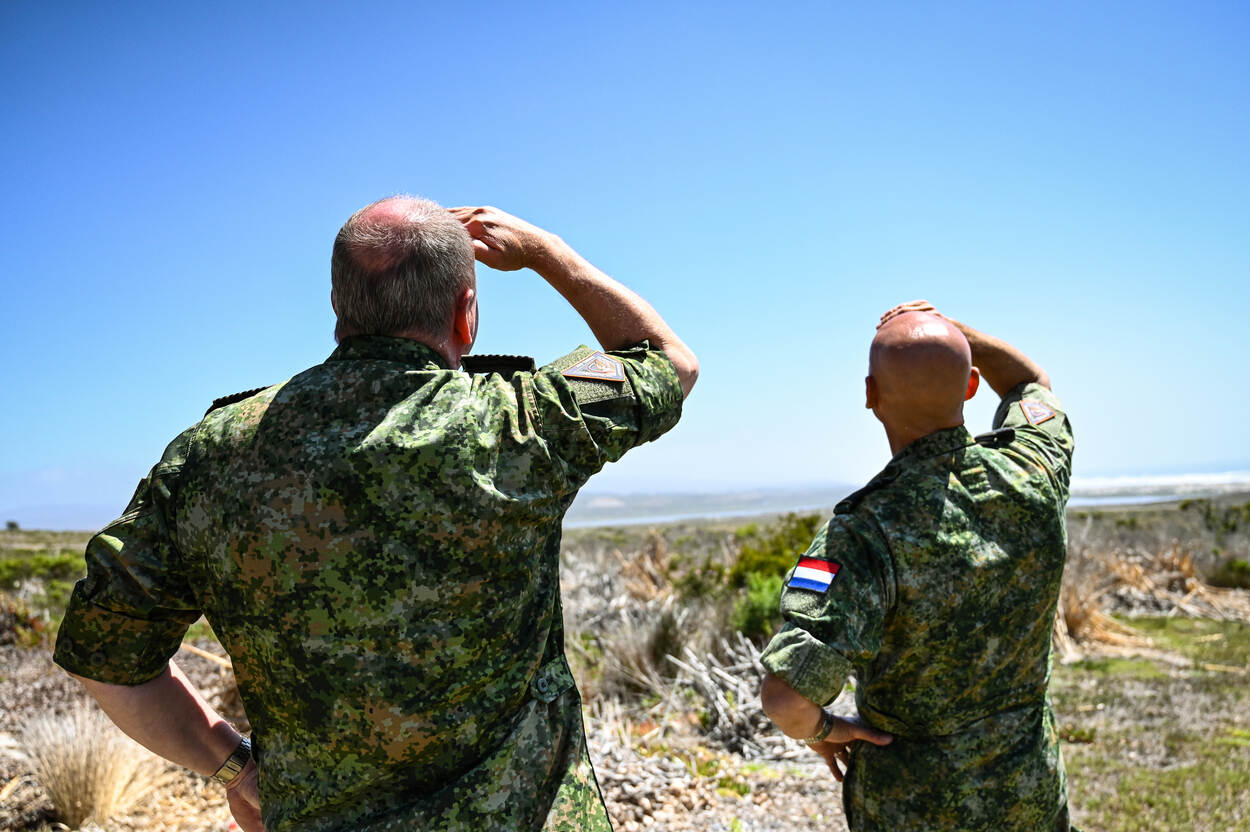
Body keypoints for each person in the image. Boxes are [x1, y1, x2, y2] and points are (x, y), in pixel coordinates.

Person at [53, 197, 698, 832]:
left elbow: (105, 658)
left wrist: (233, 769)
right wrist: (545, 254)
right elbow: (667, 361)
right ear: (465, 315)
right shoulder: (518, 424)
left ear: (340, 307)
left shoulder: (209, 456)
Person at [758, 300, 1077, 832]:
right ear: (971, 385)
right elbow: (1029, 383)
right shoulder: (1034, 469)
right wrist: (952, 329)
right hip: (1031, 792)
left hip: (913, 808)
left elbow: (786, 698)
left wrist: (824, 731)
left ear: (871, 394)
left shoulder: (859, 534)